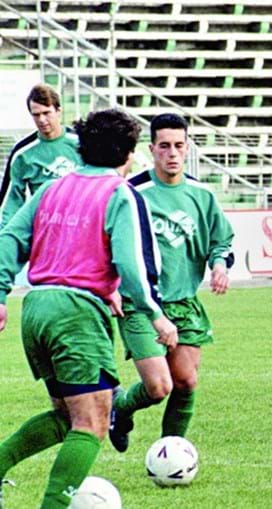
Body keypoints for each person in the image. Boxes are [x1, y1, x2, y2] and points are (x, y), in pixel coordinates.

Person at [0, 108, 178, 509]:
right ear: (128, 153)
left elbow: (9, 238)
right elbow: (135, 266)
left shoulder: (52, 189)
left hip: (37, 307)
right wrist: (156, 315)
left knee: (67, 415)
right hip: (76, 313)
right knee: (94, 421)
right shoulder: (120, 194)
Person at [108, 113, 234, 453]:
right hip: (139, 304)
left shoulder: (202, 195)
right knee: (157, 386)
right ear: (152, 149)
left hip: (184, 302)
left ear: (188, 147)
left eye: (179, 146)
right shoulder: (132, 192)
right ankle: (119, 409)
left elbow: (221, 242)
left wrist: (220, 265)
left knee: (186, 381)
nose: (172, 153)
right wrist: (110, 287)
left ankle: (170, 453)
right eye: (164, 146)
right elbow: (106, 242)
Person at [0, 84, 82, 229]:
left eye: (46, 113)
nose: (42, 120)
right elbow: (11, 201)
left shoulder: (82, 143)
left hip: (80, 223)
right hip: (44, 228)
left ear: (58, 111)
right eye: (36, 115)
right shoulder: (23, 153)